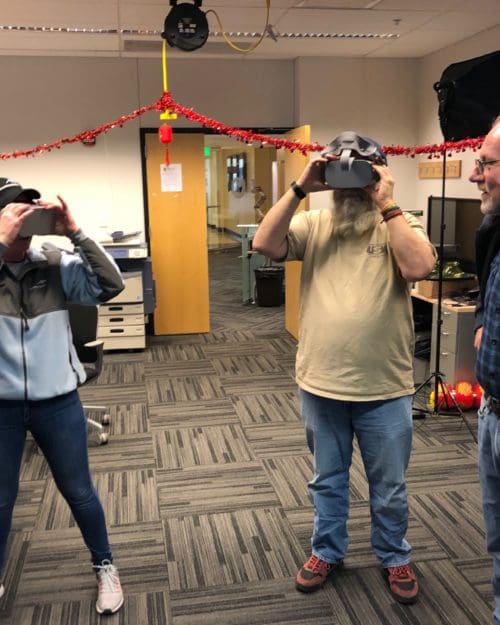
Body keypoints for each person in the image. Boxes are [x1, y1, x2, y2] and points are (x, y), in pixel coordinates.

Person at [252, 132, 436, 604]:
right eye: (342, 173)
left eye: (363, 173)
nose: (351, 184)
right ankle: (326, 550)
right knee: (327, 481)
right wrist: (299, 186)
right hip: (321, 384)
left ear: (381, 174)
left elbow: (419, 269)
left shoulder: (401, 221)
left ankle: (394, 556)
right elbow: (264, 243)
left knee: (389, 486)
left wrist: (388, 203)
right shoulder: (314, 223)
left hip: (385, 387)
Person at [0, 177, 125, 615]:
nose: (25, 216)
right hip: (3, 408)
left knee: (79, 492)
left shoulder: (54, 262)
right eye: (13, 209)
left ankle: (105, 566)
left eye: (29, 208)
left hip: (58, 403)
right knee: (0, 498)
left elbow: (111, 286)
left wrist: (74, 231)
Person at [469, 117, 500, 625]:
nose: (475, 175)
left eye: (486, 163)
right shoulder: (494, 231)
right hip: (492, 412)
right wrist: (481, 322)